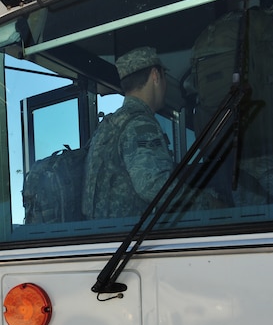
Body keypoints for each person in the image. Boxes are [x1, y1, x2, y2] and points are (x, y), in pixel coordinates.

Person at [82, 47, 201, 219]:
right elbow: (155, 186)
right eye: (164, 77)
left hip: (108, 239)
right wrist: (208, 204)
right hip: (132, 238)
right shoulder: (140, 124)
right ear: (155, 75)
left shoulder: (109, 125)